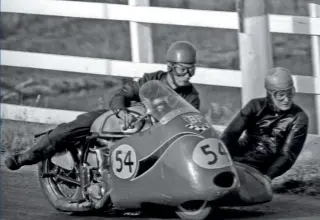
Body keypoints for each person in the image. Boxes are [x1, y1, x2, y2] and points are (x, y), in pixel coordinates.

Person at [5, 41, 200, 171]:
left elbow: (187, 124)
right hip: (120, 122)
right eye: (183, 69)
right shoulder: (152, 80)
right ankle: (29, 155)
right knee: (76, 126)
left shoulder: (191, 97)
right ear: (170, 67)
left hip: (154, 136)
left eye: (191, 69)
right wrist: (121, 111)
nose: (188, 74)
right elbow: (121, 94)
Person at [221, 67, 309, 181]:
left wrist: (268, 176)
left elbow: (288, 155)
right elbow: (230, 134)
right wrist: (222, 158)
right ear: (270, 93)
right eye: (280, 94)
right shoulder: (254, 105)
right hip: (237, 156)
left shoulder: (299, 118)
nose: (286, 99)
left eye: (290, 93)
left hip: (260, 169)